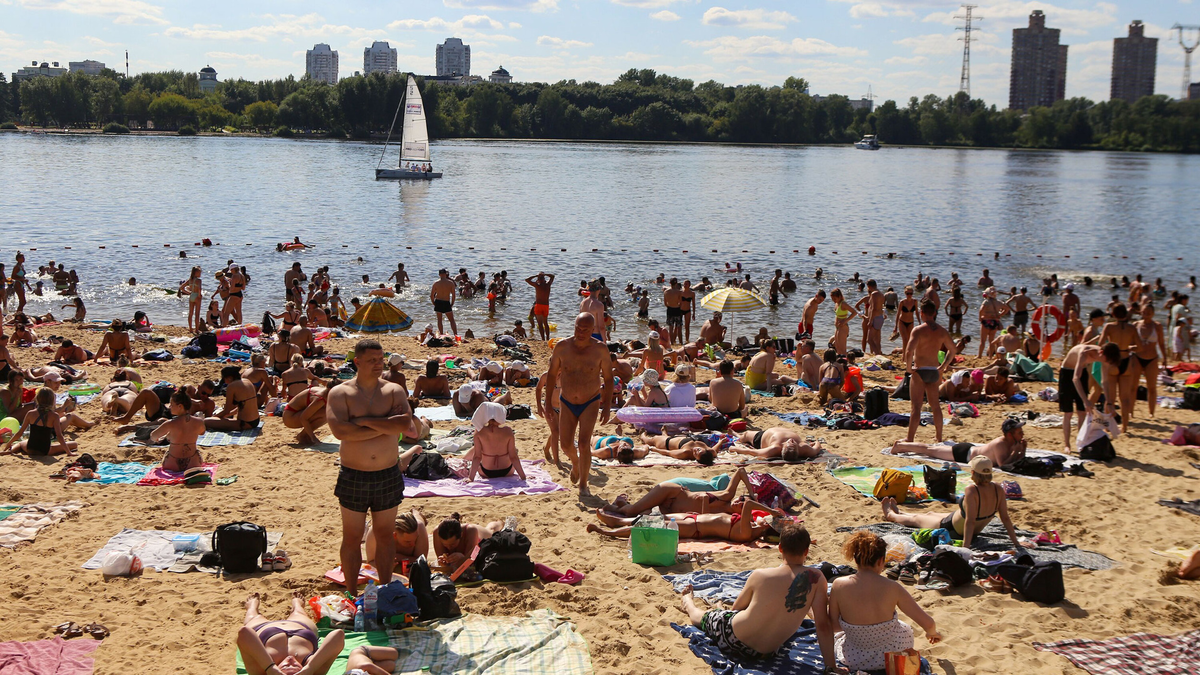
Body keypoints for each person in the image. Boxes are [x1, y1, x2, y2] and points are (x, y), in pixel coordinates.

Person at [678, 523, 836, 666]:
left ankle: (688, 603)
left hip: (733, 639)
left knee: (702, 617)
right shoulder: (816, 579)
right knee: (724, 615)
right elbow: (822, 625)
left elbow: (736, 609)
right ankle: (715, 610)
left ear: (780, 548)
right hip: (766, 653)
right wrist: (831, 667)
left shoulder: (761, 575)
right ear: (807, 550)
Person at [327, 339, 412, 596]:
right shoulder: (340, 393)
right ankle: (351, 592)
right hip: (354, 473)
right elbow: (340, 431)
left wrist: (361, 422)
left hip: (387, 472)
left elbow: (403, 424)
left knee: (386, 536)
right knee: (352, 538)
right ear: (358, 362)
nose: (378, 364)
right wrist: (383, 423)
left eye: (381, 359)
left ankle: (385, 589)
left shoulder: (393, 390)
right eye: (372, 360)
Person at [829, 531, 941, 672]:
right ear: (881, 561)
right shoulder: (892, 587)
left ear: (855, 559)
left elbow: (834, 626)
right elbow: (928, 623)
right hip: (892, 654)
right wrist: (932, 633)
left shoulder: (838, 585)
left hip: (855, 658)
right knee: (904, 627)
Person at [884, 456, 1021, 549]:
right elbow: (1005, 517)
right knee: (931, 512)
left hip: (953, 528)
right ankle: (901, 512)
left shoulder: (972, 490)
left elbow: (970, 521)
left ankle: (891, 515)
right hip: (958, 521)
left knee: (917, 519)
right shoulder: (998, 488)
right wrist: (1016, 543)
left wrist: (965, 548)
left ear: (973, 472)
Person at [545, 314, 612, 500]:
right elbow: (551, 375)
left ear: (593, 330)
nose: (581, 332)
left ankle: (583, 485)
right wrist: (547, 402)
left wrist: (606, 406)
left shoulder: (600, 350)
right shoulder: (562, 347)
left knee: (584, 443)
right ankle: (575, 462)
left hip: (590, 401)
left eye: (585, 329)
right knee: (565, 444)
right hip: (566, 400)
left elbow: (608, 378)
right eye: (577, 328)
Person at [589, 498, 785, 544]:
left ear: (767, 525)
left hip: (693, 527)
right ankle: (616, 522)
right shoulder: (750, 526)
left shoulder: (748, 533)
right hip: (694, 518)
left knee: (647, 526)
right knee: (650, 518)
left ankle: (607, 532)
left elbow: (749, 503)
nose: (763, 517)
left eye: (766, 519)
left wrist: (772, 512)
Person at [236, 592, 344, 675]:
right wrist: (310, 668)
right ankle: (297, 605)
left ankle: (252, 607)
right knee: (299, 612)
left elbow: (244, 633)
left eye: (286, 667)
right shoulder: (312, 668)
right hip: (300, 626)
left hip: (263, 628)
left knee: (253, 617)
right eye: (295, 668)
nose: (290, 661)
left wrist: (271, 668)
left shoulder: (261, 670)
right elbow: (338, 635)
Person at [601, 467, 751, 516]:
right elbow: (741, 471)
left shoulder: (727, 517)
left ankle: (620, 504)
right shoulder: (727, 495)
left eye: (743, 504)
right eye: (742, 498)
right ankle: (617, 505)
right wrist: (752, 493)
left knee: (642, 515)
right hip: (672, 493)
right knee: (632, 511)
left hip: (671, 511)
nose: (739, 501)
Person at [904, 301, 955, 443]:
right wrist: (943, 366)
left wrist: (909, 368)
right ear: (934, 313)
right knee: (935, 406)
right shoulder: (942, 331)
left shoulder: (918, 330)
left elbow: (909, 351)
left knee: (916, 407)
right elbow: (953, 349)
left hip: (920, 370)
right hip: (934, 370)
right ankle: (938, 436)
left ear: (921, 313)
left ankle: (910, 438)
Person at [889, 417, 1028, 467]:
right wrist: (1017, 451)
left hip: (971, 450)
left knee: (931, 449)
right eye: (1019, 431)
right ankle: (900, 445)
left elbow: (1014, 461)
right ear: (1010, 434)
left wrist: (1022, 451)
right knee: (929, 450)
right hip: (964, 454)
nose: (1022, 434)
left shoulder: (1012, 443)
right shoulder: (1000, 444)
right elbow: (1003, 464)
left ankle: (902, 445)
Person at [1058, 342, 1120, 452]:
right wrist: (1086, 400)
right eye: (1107, 361)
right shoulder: (1085, 353)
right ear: (1101, 353)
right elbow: (1075, 378)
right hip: (1067, 373)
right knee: (1068, 413)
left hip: (1082, 372)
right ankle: (1067, 444)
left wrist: (1109, 402)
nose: (1107, 363)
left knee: (1082, 412)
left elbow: (1104, 381)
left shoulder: (1104, 357)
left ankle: (1080, 441)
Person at [1, 387, 78, 456]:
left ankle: (9, 451)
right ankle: (10, 451)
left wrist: (8, 445)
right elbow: (59, 436)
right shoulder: (54, 416)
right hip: (45, 450)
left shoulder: (30, 413)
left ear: (37, 399)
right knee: (74, 444)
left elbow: (19, 433)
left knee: (21, 443)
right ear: (52, 401)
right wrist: (69, 452)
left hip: (30, 449)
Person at [465, 402, 526, 481]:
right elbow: (513, 457)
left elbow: (477, 457)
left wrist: (471, 478)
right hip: (507, 471)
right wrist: (523, 477)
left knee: (477, 452)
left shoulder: (479, 432)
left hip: (486, 472)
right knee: (515, 450)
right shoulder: (508, 431)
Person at [149, 390, 206, 472]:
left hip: (172, 464)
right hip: (193, 463)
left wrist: (166, 437)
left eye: (171, 405)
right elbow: (202, 432)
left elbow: (153, 436)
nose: (169, 407)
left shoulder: (170, 423)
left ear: (180, 406)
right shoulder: (199, 422)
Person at [432, 513, 504, 572]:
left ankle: (500, 523)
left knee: (491, 530)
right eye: (445, 545)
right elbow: (444, 563)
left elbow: (472, 559)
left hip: (480, 534)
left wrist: (462, 557)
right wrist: (443, 563)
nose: (449, 548)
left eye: (452, 544)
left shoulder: (471, 531)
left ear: (461, 535)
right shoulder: (437, 532)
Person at [364, 510, 429, 569]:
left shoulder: (419, 528)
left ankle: (416, 512)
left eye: (415, 539)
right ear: (394, 535)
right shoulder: (376, 531)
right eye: (408, 541)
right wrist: (383, 565)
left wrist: (399, 558)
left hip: (418, 522)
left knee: (418, 518)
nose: (413, 544)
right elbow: (370, 562)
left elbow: (422, 561)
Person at [204, 366, 261, 431]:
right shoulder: (247, 381)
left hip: (244, 423)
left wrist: (214, 418)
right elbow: (244, 405)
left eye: (224, 379)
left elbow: (226, 410)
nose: (225, 382)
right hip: (256, 420)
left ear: (229, 378)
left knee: (206, 421)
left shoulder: (231, 386)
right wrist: (228, 414)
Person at [282, 379, 333, 446]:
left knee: (328, 411)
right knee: (326, 413)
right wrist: (313, 438)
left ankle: (305, 435)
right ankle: (302, 436)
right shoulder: (320, 399)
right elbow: (303, 418)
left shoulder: (324, 393)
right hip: (290, 418)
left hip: (294, 413)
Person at [733, 427, 822, 461]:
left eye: (790, 443)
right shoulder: (804, 448)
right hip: (776, 430)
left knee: (746, 434)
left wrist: (734, 449)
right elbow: (817, 448)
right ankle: (738, 434)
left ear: (783, 448)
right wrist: (816, 442)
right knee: (746, 434)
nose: (791, 440)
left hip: (761, 437)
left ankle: (737, 435)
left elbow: (752, 452)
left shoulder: (774, 449)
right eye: (793, 443)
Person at [637, 431, 718, 465]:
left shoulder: (685, 452)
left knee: (652, 440)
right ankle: (664, 433)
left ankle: (642, 436)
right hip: (681, 438)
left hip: (667, 443)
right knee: (664, 436)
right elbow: (715, 450)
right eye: (699, 450)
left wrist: (654, 449)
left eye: (696, 454)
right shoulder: (710, 451)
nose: (696, 450)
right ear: (706, 450)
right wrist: (721, 441)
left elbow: (668, 453)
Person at [978, 287, 1010, 356]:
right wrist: (1000, 315)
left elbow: (981, 310)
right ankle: (990, 356)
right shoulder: (999, 302)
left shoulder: (986, 302)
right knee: (991, 341)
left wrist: (980, 318)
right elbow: (1007, 309)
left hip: (986, 321)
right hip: (995, 322)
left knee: (983, 341)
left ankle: (979, 355)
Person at [828, 288, 858, 355]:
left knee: (842, 348)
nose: (833, 300)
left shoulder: (843, 304)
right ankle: (840, 362)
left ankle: (845, 362)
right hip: (837, 327)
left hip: (843, 327)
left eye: (835, 299)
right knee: (837, 346)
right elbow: (837, 315)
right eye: (832, 299)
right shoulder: (837, 304)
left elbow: (854, 312)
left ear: (839, 296)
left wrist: (845, 321)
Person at [430, 269, 458, 337]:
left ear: (439, 274)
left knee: (439, 320)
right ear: (446, 274)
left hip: (438, 301)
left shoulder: (436, 283)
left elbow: (431, 296)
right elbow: (454, 295)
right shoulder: (450, 283)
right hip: (446, 302)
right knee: (451, 320)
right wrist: (452, 303)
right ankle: (455, 334)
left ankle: (441, 334)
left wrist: (434, 303)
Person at [180, 266, 203, 333]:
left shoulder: (189, 280)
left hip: (192, 295)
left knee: (190, 313)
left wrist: (189, 293)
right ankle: (196, 329)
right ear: (196, 273)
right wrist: (199, 295)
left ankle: (190, 329)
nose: (200, 274)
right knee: (197, 314)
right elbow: (199, 288)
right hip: (196, 296)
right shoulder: (199, 280)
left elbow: (181, 288)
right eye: (199, 272)